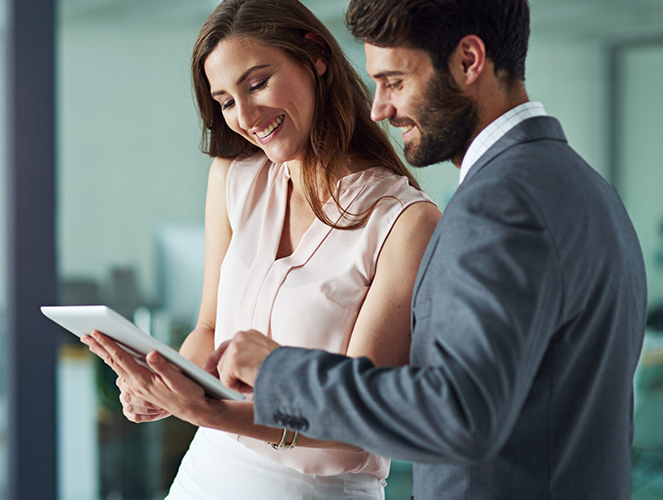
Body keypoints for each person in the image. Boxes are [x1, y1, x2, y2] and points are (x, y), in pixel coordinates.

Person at [208, 0, 648, 499]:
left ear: (468, 61)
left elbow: (459, 412)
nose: (380, 108)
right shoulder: (586, 188)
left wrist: (278, 371)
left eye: (395, 81)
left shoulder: (499, 206)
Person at [80, 0, 441, 498]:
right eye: (226, 101)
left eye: (256, 83)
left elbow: (356, 429)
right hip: (204, 476)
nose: (245, 117)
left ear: (315, 55)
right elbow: (208, 329)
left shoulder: (406, 223)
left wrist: (211, 412)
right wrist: (166, 385)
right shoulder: (233, 178)